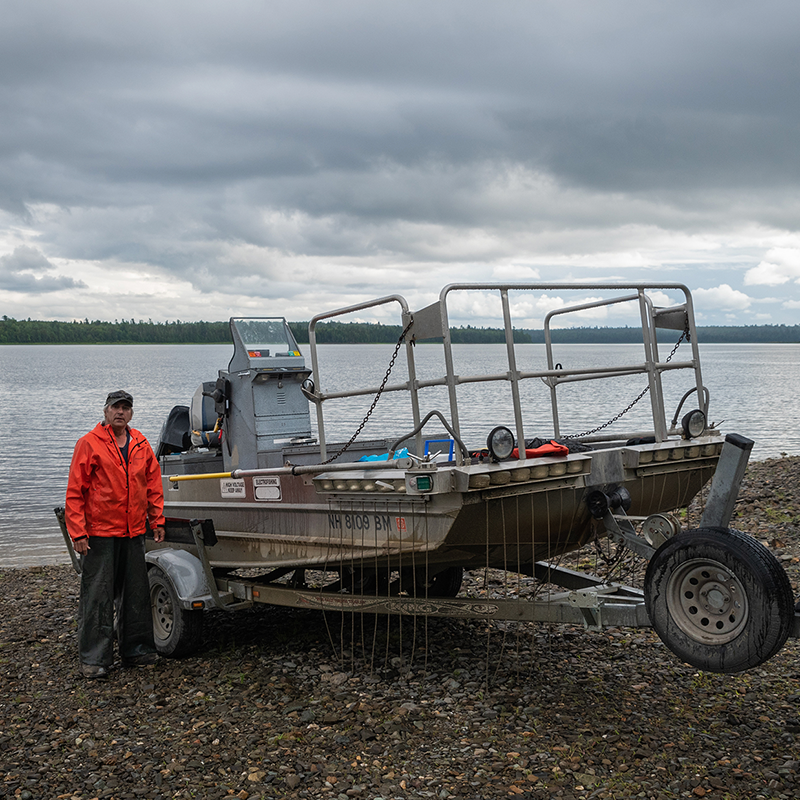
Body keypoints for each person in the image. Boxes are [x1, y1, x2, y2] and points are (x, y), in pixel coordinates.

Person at [65, 390, 166, 678]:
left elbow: (153, 485)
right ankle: (95, 658)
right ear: (106, 411)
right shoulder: (88, 443)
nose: (120, 412)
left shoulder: (141, 443)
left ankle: (137, 650)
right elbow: (75, 492)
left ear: (131, 413)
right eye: (115, 407)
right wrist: (78, 532)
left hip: (133, 532)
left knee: (135, 594)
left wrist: (156, 520)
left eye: (125, 407)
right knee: (97, 596)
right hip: (99, 534)